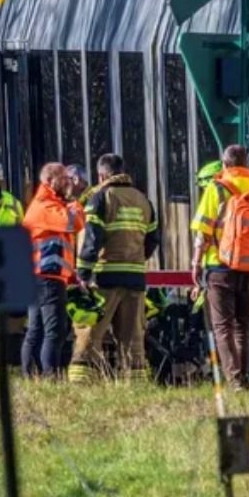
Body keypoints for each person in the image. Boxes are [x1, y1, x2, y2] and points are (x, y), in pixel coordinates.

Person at [190, 145, 249, 389]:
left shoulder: (216, 188)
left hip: (220, 266)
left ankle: (235, 380)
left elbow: (203, 232)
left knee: (222, 326)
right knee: (243, 326)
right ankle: (243, 376)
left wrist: (196, 263)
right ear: (247, 165)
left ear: (225, 165)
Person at [70, 154, 159, 383]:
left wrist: (83, 273)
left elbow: (92, 239)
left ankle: (82, 379)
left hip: (105, 276)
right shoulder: (143, 200)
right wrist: (137, 258)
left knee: (91, 330)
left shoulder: (101, 197)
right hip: (135, 278)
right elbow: (153, 239)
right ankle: (135, 381)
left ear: (101, 175)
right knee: (133, 335)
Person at [20, 163, 84, 379]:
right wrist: (75, 201)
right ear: (50, 180)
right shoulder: (45, 206)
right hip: (47, 278)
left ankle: (32, 375)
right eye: (63, 178)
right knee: (54, 331)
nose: (68, 182)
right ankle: (50, 376)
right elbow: (74, 223)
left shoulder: (48, 205)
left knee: (36, 330)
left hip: (41, 277)